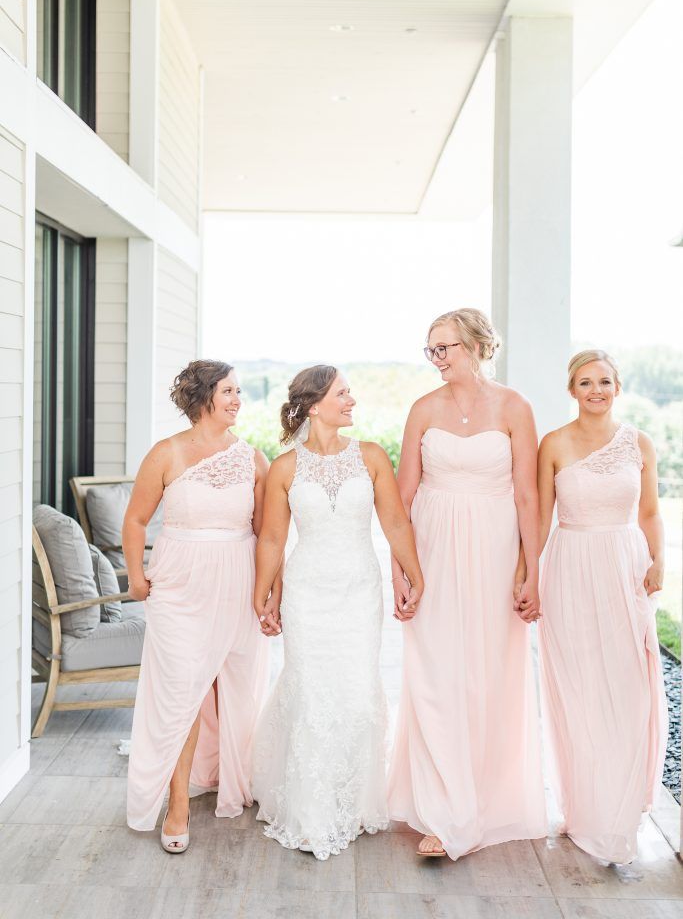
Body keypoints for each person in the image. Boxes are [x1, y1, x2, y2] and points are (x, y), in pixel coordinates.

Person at [387, 308, 547, 858]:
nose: (436, 358)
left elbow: (528, 495)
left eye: (446, 348)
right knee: (434, 669)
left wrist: (532, 567)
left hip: (496, 547)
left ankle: (485, 799)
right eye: (430, 349)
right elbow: (403, 494)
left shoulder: (514, 406)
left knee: (488, 671)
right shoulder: (422, 409)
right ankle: (442, 810)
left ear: (476, 347)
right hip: (431, 546)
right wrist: (399, 567)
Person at [251, 365, 424, 860]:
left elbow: (394, 519)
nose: (352, 401)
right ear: (313, 405)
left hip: (357, 591)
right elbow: (271, 537)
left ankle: (352, 799)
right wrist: (264, 593)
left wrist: (414, 574)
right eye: (343, 393)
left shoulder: (370, 457)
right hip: (306, 593)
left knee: (353, 688)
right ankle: (311, 810)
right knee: (309, 688)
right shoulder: (286, 468)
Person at [124, 360, 269, 852]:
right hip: (179, 587)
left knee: (232, 688)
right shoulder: (165, 453)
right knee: (181, 691)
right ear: (203, 396)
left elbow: (270, 534)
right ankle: (177, 801)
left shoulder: (254, 459)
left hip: (236, 582)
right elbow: (136, 520)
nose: (237, 400)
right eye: (229, 391)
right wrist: (136, 576)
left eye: (239, 392)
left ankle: (227, 775)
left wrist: (272, 591)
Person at [537, 349, 667, 864]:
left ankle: (622, 800)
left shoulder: (639, 442)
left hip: (623, 565)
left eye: (605, 382)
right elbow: (540, 521)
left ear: (618, 387)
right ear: (571, 389)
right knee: (580, 685)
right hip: (569, 567)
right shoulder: (554, 443)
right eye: (586, 382)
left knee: (628, 683)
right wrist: (527, 576)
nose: (596, 390)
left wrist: (659, 561)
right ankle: (587, 807)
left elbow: (651, 510)